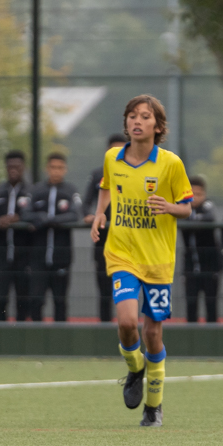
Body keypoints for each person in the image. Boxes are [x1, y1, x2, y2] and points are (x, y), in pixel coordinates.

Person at [90, 95, 193, 427]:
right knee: (126, 321)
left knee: (152, 333)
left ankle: (154, 406)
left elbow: (187, 207)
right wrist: (99, 214)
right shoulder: (112, 157)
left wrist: (170, 207)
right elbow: (107, 186)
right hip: (122, 253)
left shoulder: (171, 164)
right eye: (132, 116)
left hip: (159, 260)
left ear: (157, 126)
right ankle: (135, 369)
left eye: (145, 116)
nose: (137, 121)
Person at [23, 152, 80, 322]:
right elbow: (25, 213)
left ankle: (60, 342)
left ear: (65, 169)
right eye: (53, 167)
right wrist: (40, 217)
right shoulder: (36, 190)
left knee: (60, 301)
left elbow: (75, 214)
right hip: (37, 258)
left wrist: (52, 220)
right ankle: (36, 339)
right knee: (36, 300)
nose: (56, 171)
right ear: (47, 169)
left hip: (62, 258)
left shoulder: (70, 191)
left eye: (60, 168)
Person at [83, 134, 128, 322]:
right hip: (102, 239)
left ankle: (126, 328)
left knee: (126, 289)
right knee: (104, 286)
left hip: (127, 240)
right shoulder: (98, 175)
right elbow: (86, 204)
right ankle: (105, 325)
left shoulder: (134, 174)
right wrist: (90, 215)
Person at [0, 150, 33, 321]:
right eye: (10, 167)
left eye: (17, 167)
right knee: (0, 298)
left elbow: (37, 216)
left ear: (23, 168)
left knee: (23, 299)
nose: (13, 170)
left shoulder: (31, 192)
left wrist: (18, 218)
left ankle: (22, 338)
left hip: (25, 256)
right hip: (2, 254)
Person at [181, 176, 220, 323]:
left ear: (204, 194)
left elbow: (209, 218)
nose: (195, 198)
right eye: (192, 194)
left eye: (199, 194)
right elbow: (177, 218)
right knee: (191, 304)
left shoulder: (208, 206)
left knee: (211, 304)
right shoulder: (182, 206)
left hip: (210, 266)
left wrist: (191, 220)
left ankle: (214, 339)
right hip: (190, 266)